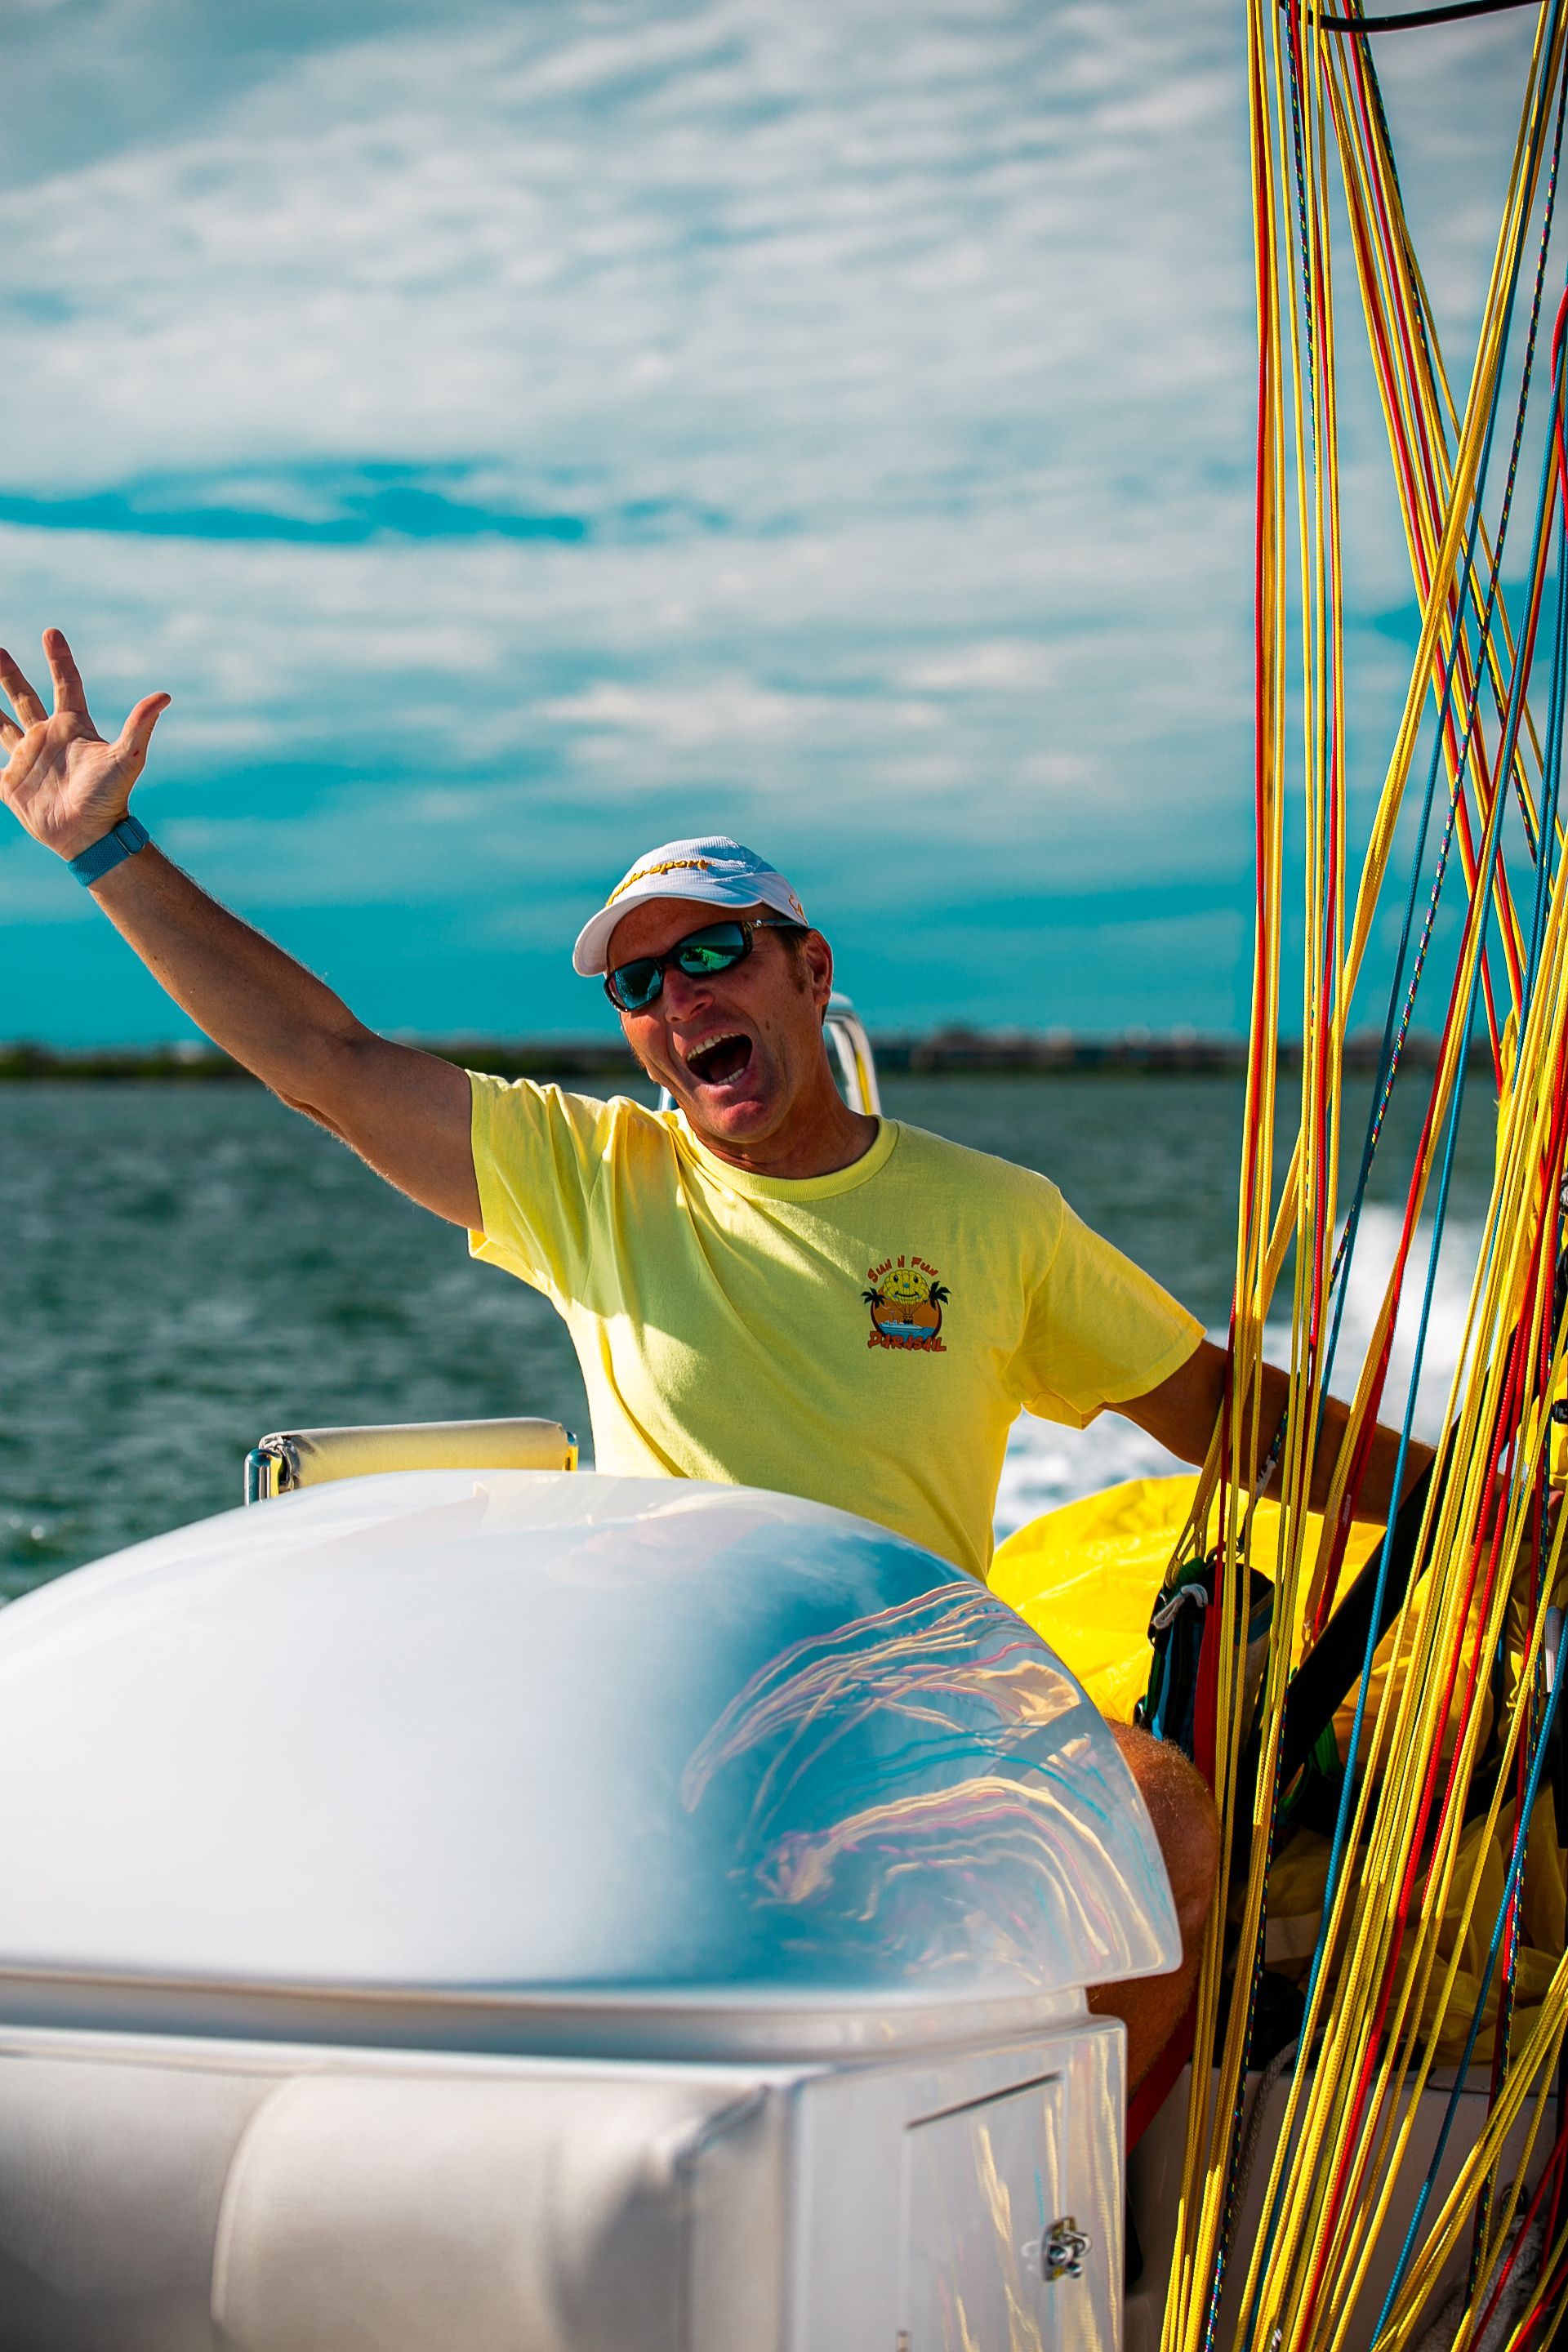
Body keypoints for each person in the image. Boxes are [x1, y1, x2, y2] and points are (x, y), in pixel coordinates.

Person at [0, 630, 1432, 2088]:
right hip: (684, 1710)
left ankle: (1057, 2223)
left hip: (913, 1709)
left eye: (709, 954)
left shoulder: (994, 1218)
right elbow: (328, 1063)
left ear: (808, 971)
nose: (679, 1004)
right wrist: (108, 851)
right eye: (639, 988)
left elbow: (1213, 1407)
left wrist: (1461, 1501)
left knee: (1168, 1818)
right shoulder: (592, 1179)